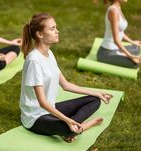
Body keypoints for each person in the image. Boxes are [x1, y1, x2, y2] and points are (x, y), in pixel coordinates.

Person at [19, 13, 113, 143]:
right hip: (35, 117)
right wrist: (67, 120)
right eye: (52, 29)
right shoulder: (34, 60)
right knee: (68, 127)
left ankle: (72, 126)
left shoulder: (49, 54)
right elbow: (42, 102)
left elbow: (66, 85)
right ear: (40, 34)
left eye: (55, 28)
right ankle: (81, 126)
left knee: (95, 100)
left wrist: (96, 93)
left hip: (50, 109)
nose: (57, 31)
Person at [97, 0, 141, 68]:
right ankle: (121, 55)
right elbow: (116, 40)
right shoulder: (113, 11)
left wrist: (133, 42)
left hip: (116, 49)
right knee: (135, 64)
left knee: (136, 48)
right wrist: (129, 55)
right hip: (107, 52)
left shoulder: (118, 8)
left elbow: (120, 32)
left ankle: (121, 54)